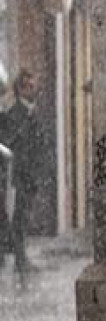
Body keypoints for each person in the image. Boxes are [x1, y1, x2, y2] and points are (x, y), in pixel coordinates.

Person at [0, 70, 53, 274]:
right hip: (19, 175)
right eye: (29, 87)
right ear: (20, 89)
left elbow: (40, 142)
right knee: (19, 216)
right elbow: (11, 142)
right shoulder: (15, 114)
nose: (33, 90)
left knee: (25, 215)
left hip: (31, 173)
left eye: (34, 86)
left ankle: (21, 257)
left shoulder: (33, 112)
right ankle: (20, 259)